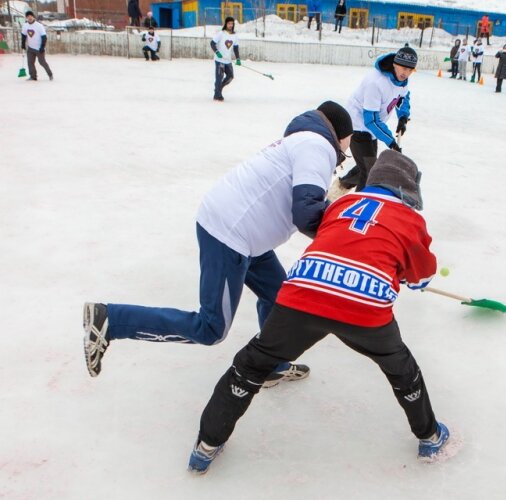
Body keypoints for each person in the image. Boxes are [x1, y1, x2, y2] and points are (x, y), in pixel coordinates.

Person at [187, 150, 451, 474]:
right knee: (402, 370)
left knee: (250, 366)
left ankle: (206, 445)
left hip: (303, 294)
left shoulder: (341, 203)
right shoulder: (410, 219)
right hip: (364, 307)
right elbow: (421, 277)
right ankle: (430, 436)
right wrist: (405, 275)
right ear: (409, 187)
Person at [82, 102, 354, 381]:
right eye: (350, 139)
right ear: (341, 134)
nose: (349, 148)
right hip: (230, 234)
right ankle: (112, 320)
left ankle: (270, 364)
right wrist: (348, 237)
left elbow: (306, 202)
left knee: (278, 297)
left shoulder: (303, 139)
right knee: (211, 328)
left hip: (243, 231)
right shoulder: (319, 147)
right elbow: (307, 212)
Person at [335, 47, 415, 193]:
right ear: (395, 64)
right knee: (370, 172)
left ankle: (341, 187)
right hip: (357, 127)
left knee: (367, 165)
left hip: (372, 129)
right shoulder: (376, 82)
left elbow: (403, 96)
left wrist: (403, 117)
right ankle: (359, 207)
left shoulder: (401, 79)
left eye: (410, 70)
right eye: (404, 68)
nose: (406, 73)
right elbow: (370, 120)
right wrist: (390, 141)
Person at [210, 17, 239, 102]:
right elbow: (212, 43)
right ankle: (217, 95)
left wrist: (238, 59)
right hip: (219, 60)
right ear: (226, 24)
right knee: (219, 78)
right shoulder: (221, 33)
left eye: (232, 23)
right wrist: (217, 52)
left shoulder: (235, 36)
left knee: (230, 76)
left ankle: (218, 89)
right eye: (229, 23)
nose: (230, 25)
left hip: (228, 60)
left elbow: (236, 47)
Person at [20, 11, 53, 81]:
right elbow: (23, 36)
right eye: (28, 16)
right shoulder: (25, 25)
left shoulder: (39, 26)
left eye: (30, 16)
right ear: (26, 18)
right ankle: (33, 76)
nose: (29, 17)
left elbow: (44, 37)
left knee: (42, 62)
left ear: (33, 17)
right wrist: (23, 44)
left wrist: (42, 47)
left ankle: (50, 74)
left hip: (39, 48)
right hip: (30, 48)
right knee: (30, 62)